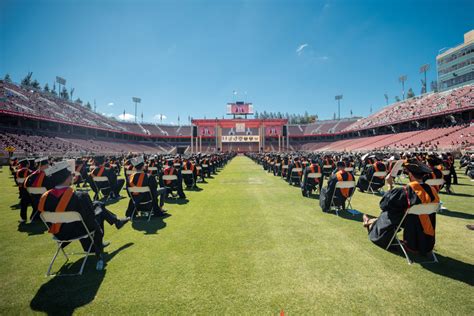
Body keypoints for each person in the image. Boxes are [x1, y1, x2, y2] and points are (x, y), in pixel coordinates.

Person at [38, 161, 130, 271]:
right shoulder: (79, 196)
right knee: (99, 210)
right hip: (80, 231)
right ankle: (98, 248)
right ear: (67, 178)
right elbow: (90, 218)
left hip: (60, 233)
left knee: (97, 204)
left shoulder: (44, 197)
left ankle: (116, 221)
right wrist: (98, 230)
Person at [362, 160, 438, 255]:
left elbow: (384, 204)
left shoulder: (406, 191)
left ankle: (371, 223)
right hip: (424, 238)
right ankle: (371, 221)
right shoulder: (433, 191)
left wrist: (389, 185)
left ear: (410, 175)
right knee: (401, 211)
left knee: (387, 213)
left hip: (409, 227)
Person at [23, 157, 53, 221]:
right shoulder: (47, 177)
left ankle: (31, 217)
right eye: (47, 165)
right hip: (43, 198)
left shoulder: (31, 176)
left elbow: (26, 186)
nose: (48, 167)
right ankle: (36, 217)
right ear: (43, 166)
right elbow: (50, 188)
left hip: (31, 197)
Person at [16, 159, 32, 223]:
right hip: (31, 190)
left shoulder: (18, 171)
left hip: (23, 190)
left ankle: (23, 218)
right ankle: (36, 218)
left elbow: (17, 181)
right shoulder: (31, 172)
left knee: (23, 205)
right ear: (28, 165)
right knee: (35, 205)